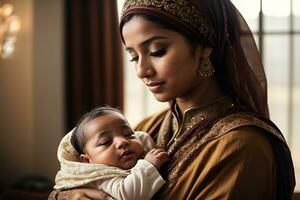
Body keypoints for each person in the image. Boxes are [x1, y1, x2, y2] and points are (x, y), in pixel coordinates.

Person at [49, 0, 295, 199]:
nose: (141, 71)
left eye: (156, 51)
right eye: (134, 57)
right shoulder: (149, 127)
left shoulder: (241, 146)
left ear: (204, 47)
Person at [53, 107, 169, 200]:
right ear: (88, 161)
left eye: (128, 134)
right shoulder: (99, 176)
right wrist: (149, 165)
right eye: (106, 142)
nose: (122, 142)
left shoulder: (145, 143)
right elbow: (128, 196)